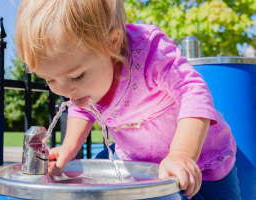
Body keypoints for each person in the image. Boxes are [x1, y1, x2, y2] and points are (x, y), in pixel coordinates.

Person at [15, 0, 240, 199]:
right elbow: (82, 108)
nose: (64, 90)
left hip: (204, 160)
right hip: (138, 163)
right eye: (49, 80)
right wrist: (69, 147)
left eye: (76, 76)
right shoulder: (84, 86)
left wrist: (182, 154)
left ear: (112, 43)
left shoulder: (149, 52)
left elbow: (192, 91)